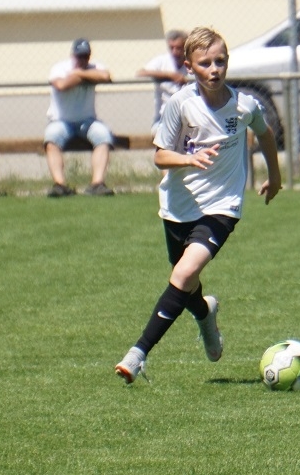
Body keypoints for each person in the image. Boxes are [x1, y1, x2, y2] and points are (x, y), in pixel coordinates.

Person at [115, 27, 283, 384]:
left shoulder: (243, 105)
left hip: (222, 205)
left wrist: (276, 176)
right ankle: (205, 314)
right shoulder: (180, 104)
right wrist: (188, 160)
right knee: (185, 283)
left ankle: (138, 354)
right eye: (205, 63)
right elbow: (160, 157)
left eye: (220, 61)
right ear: (190, 67)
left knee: (184, 275)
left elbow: (265, 134)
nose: (214, 69)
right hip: (179, 204)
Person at [44, 38, 117, 197]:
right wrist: (86, 76)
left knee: (104, 136)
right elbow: (61, 85)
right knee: (51, 139)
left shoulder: (94, 67)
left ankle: (97, 184)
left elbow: (106, 76)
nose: (82, 60)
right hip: (61, 120)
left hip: (87, 120)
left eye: (85, 56)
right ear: (72, 55)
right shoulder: (60, 67)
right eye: (79, 56)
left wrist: (78, 73)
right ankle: (60, 185)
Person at [137, 29, 189, 134]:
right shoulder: (162, 61)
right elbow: (140, 73)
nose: (175, 52)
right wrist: (169, 75)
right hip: (163, 118)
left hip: (188, 117)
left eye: (178, 48)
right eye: (171, 48)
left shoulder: (192, 62)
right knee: (160, 133)